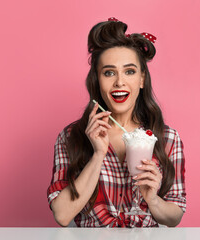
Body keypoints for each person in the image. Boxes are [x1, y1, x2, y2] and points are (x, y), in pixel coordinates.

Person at [47, 17, 186, 227]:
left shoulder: (167, 138)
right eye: (109, 72)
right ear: (97, 80)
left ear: (141, 79)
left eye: (129, 71)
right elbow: (62, 215)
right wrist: (98, 154)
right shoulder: (71, 137)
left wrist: (153, 200)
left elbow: (174, 217)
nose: (119, 82)